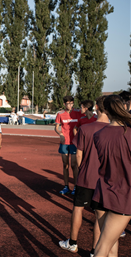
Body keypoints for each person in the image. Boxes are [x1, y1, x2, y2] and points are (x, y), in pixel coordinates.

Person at [59, 96, 109, 256]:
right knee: (100, 215)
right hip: (105, 180)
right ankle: (95, 250)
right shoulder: (115, 130)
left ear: (97, 108)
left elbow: (78, 157)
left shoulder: (86, 129)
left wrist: (84, 170)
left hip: (86, 177)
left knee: (78, 209)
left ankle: (73, 243)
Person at [91, 95, 131, 257]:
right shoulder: (128, 133)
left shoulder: (99, 135)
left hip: (102, 192)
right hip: (122, 196)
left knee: (111, 243)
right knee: (103, 246)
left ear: (105, 110)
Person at [54, 96, 83, 195]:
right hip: (64, 143)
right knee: (65, 165)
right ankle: (66, 186)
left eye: (71, 103)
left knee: (74, 165)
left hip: (74, 143)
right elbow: (56, 128)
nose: (70, 105)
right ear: (64, 104)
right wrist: (60, 134)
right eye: (68, 103)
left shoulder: (78, 112)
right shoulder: (60, 114)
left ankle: (75, 186)